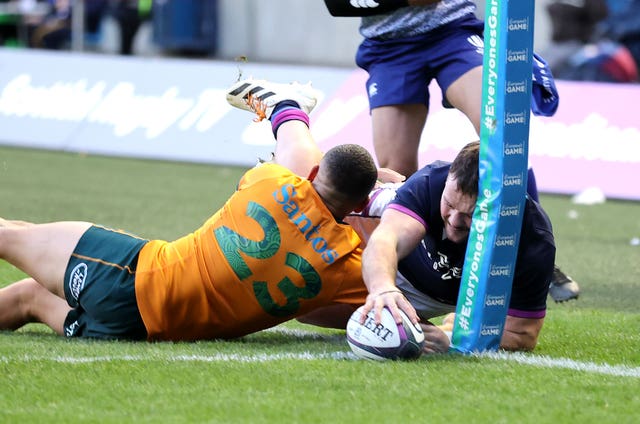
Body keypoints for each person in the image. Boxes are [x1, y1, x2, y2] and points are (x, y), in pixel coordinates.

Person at [0, 78, 379, 341]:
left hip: (130, 278)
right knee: (28, 298)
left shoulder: (270, 181)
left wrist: (288, 113)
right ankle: (285, 106)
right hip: (138, 333)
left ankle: (284, 103)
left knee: (8, 234)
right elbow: (363, 298)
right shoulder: (347, 266)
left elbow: (296, 163)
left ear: (314, 174)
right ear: (360, 204)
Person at [323, 0, 580, 302]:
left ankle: (532, 256)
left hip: (452, 33)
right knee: (397, 170)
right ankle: (432, 262)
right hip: (389, 45)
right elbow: (338, 4)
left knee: (500, 132)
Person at [351, 141, 556, 354]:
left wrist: (452, 339)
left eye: (471, 214)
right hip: (379, 253)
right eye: (449, 204)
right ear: (448, 178)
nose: (455, 221)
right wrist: (383, 288)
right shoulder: (430, 183)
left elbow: (524, 334)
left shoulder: (534, 238)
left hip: (441, 293)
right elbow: (385, 240)